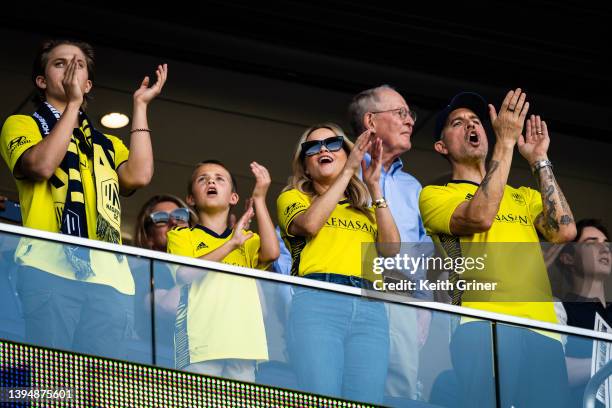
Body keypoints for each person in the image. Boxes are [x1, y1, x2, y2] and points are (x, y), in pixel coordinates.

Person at [0, 39, 167, 359]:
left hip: (110, 279)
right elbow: (42, 165)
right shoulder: (23, 124)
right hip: (48, 267)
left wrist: (141, 106)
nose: (71, 69)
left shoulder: (105, 142)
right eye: (60, 63)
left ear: (88, 83)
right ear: (41, 80)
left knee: (94, 391)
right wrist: (74, 105)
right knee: (52, 385)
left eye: (79, 65)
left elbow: (140, 175)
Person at [420, 89, 576, 407]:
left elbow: (564, 230)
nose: (471, 126)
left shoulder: (523, 196)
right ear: (441, 145)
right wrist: (505, 145)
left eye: (476, 121)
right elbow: (480, 216)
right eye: (458, 122)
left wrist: (539, 160)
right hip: (481, 325)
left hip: (543, 329)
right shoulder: (435, 195)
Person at [276, 122, 400, 404]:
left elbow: (391, 249)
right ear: (305, 166)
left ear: (346, 153)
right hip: (317, 301)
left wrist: (375, 188)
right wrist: (348, 172)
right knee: (323, 398)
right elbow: (310, 224)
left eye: (332, 144)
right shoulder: (292, 197)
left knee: (366, 401)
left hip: (370, 307)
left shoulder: (364, 208)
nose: (323, 149)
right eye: (313, 146)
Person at [348, 84, 433, 402]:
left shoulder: (414, 188)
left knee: (399, 393)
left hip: (401, 299)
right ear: (370, 122)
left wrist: (423, 305)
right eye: (401, 113)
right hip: (348, 292)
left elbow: (423, 253)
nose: (410, 121)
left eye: (410, 114)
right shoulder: (340, 170)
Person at [168, 160, 279, 382]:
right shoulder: (181, 235)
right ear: (191, 199)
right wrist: (231, 244)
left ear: (233, 198)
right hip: (199, 345)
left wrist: (259, 199)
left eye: (220, 179)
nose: (211, 181)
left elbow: (272, 253)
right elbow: (184, 274)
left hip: (245, 346)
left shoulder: (248, 240)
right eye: (203, 179)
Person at [130, 194, 197, 363]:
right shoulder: (147, 270)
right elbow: (168, 307)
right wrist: (211, 259)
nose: (173, 222)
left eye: (180, 216)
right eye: (161, 219)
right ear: (148, 237)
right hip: (158, 365)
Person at [557, 219, 611, 407]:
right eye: (591, 243)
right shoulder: (558, 307)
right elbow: (553, 369)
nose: (605, 249)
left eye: (606, 243)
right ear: (568, 258)